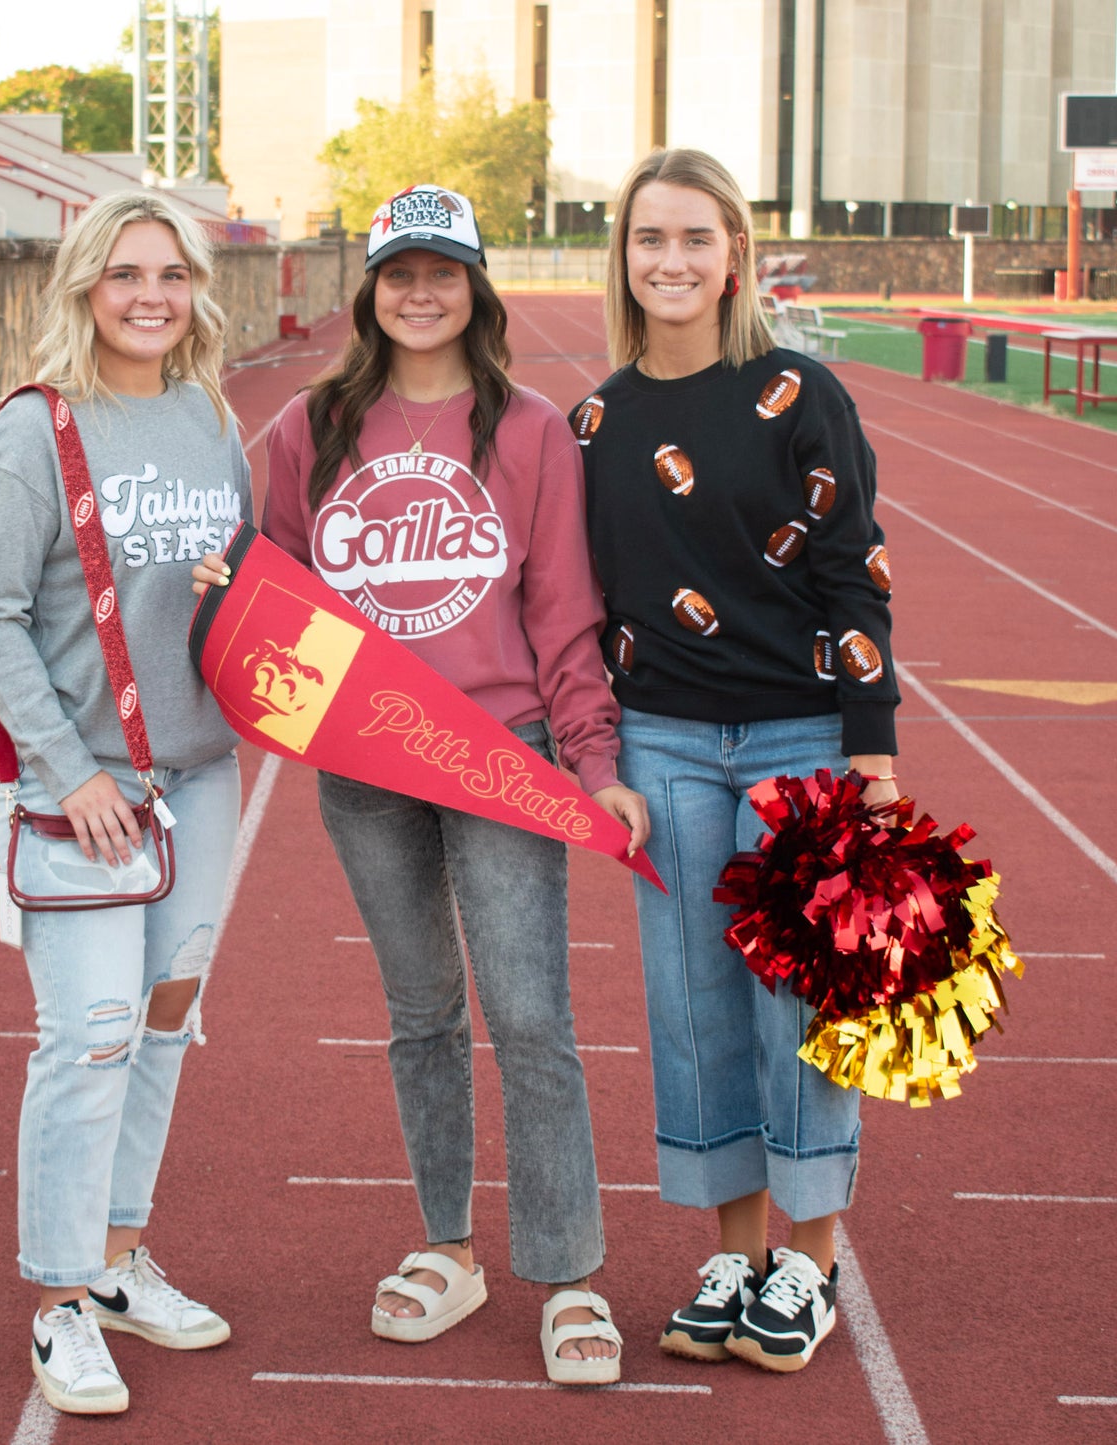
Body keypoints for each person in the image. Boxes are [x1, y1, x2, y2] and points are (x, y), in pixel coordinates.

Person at [204, 183, 647, 1385]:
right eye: (397, 271)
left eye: (439, 272)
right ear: (370, 290)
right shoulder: (311, 426)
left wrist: (592, 765)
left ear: (473, 288)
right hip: (366, 768)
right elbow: (278, 592)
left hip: (502, 757)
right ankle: (447, 1245)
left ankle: (567, 1272)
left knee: (531, 1015)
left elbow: (564, 617)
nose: (416, 291)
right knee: (420, 1016)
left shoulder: (531, 430)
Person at [574, 149, 901, 1374]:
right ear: (623, 254)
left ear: (733, 256)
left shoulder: (801, 393)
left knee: (802, 995)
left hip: (799, 736)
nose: (669, 260)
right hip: (662, 739)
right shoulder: (596, 420)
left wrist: (869, 756)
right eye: (648, 238)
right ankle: (732, 1246)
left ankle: (807, 1260)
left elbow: (851, 571)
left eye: (694, 239)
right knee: (692, 1002)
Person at [0, 191, 252, 1415]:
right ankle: (60, 1298)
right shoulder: (34, 432)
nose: (151, 296)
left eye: (172, 274)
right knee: (87, 1038)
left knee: (167, 1023)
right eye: (126, 273)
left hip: (200, 777)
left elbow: (238, 586)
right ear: (86, 285)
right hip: (82, 792)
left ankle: (121, 1257)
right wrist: (66, 771)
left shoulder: (205, 416)